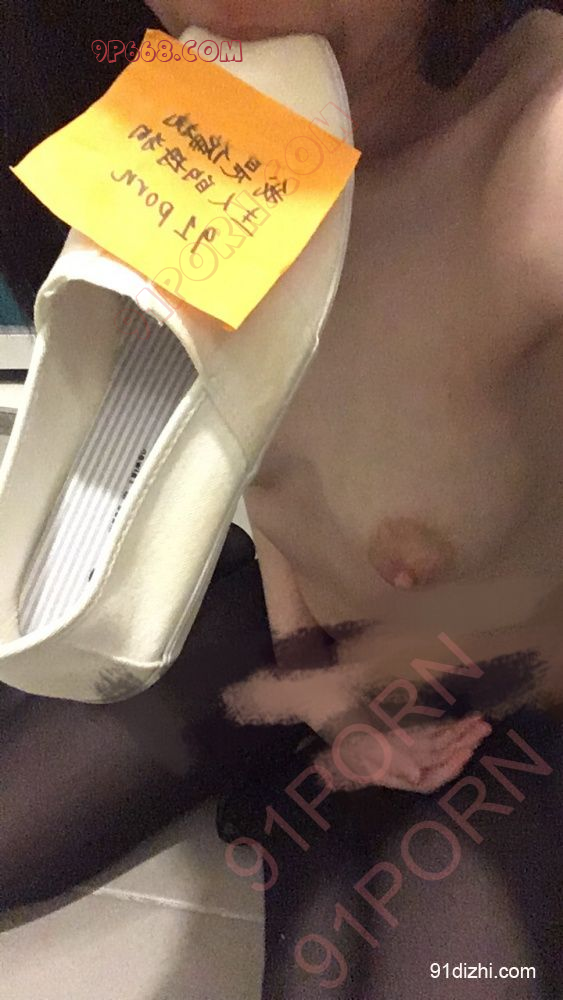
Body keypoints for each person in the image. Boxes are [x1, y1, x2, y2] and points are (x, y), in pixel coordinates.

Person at [1, 2, 562, 997]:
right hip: (293, 626)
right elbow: (258, 464)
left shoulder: (535, 166)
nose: (209, 10)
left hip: (509, 691)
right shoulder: (197, 141)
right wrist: (313, 687)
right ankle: (293, 786)